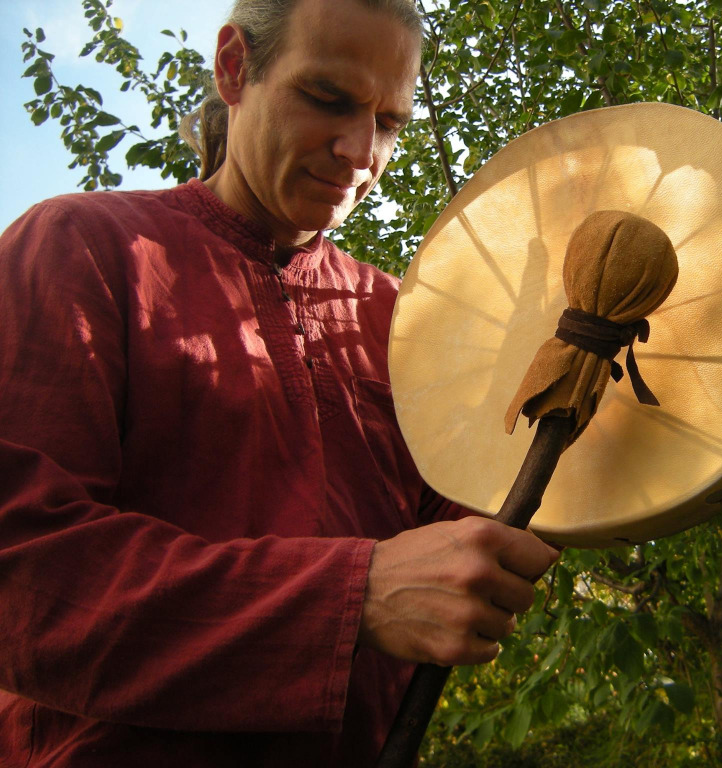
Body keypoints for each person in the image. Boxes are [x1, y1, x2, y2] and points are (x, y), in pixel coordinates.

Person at [0, 0, 558, 765]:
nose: (361, 152)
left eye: (390, 122)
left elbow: (470, 530)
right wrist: (352, 596)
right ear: (235, 68)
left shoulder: (403, 319)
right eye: (328, 99)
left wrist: (558, 372)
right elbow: (24, 576)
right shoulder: (80, 249)